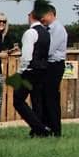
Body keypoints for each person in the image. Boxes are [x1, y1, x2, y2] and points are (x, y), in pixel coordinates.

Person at [35, 4, 69, 137]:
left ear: (50, 14)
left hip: (54, 65)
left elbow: (49, 50)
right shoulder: (47, 29)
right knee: (44, 97)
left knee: (51, 98)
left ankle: (55, 128)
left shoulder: (58, 29)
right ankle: (46, 126)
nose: (41, 18)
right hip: (48, 65)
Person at [15, 9, 48, 137]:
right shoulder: (46, 33)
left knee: (18, 100)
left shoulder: (30, 32)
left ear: (31, 17)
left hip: (30, 71)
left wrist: (20, 71)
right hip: (42, 70)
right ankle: (37, 131)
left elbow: (27, 56)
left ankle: (40, 128)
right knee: (37, 100)